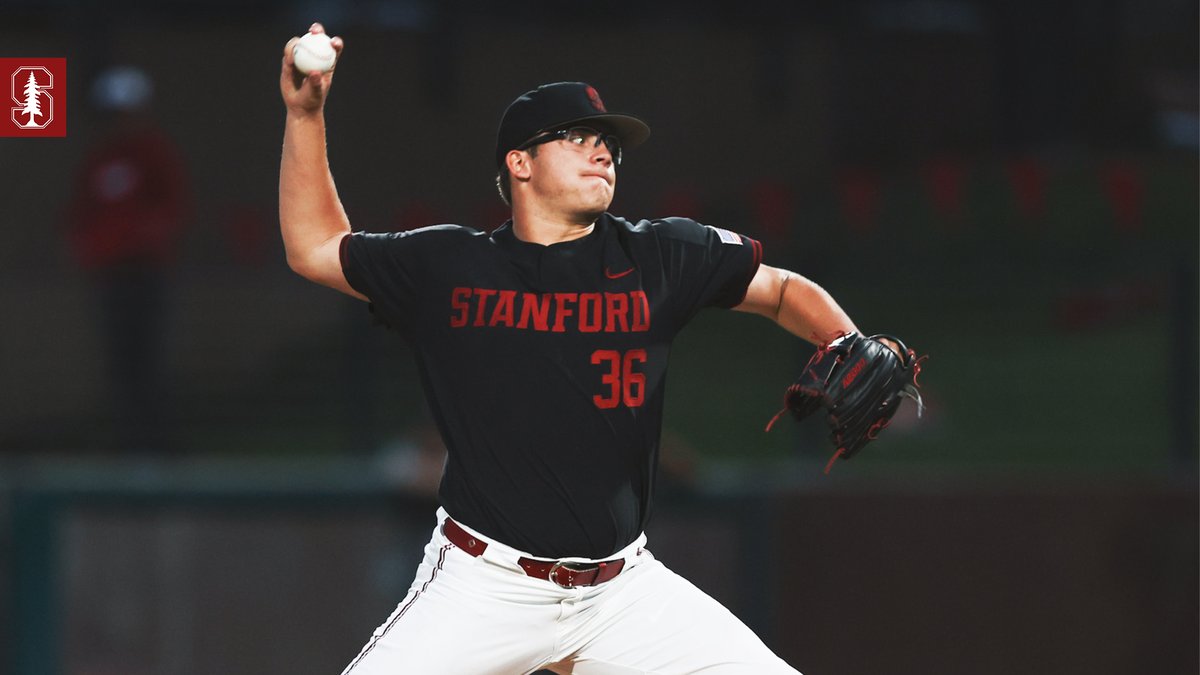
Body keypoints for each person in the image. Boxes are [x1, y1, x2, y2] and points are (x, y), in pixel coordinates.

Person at [279, 24, 889, 675]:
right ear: (519, 163)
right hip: (485, 586)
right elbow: (315, 248)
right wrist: (305, 114)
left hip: (622, 595)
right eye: (576, 137)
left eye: (607, 143)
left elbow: (780, 288)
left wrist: (845, 338)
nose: (601, 150)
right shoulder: (451, 266)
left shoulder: (659, 256)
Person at [69, 65, 189, 453]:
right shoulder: (99, 159)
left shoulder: (156, 153)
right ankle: (128, 448)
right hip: (109, 275)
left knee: (148, 359)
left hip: (146, 273)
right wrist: (88, 248)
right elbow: (83, 211)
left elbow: (172, 206)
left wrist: (147, 238)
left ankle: (159, 449)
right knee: (119, 362)